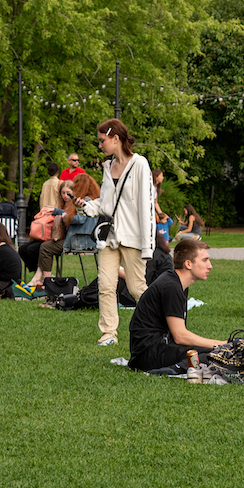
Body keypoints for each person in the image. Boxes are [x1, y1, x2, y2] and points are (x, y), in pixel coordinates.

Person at [90, 119, 156, 348]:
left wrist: (148, 245)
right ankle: (108, 333)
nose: (99, 146)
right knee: (105, 285)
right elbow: (106, 203)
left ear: (115, 138)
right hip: (109, 238)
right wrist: (86, 205)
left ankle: (158, 325)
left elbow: (147, 207)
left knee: (137, 288)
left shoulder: (140, 164)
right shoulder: (107, 167)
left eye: (102, 141)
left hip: (133, 238)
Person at [127, 237, 224, 371]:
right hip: (148, 356)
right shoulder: (171, 286)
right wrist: (218, 344)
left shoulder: (178, 283)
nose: (210, 265)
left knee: (215, 354)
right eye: (205, 260)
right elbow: (180, 336)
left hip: (157, 348)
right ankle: (176, 369)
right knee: (216, 354)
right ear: (188, 264)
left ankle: (182, 366)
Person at [32, 174, 101, 286]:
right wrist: (56, 211)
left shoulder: (85, 201)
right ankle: (41, 278)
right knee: (45, 245)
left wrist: (64, 217)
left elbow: (79, 219)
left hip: (78, 240)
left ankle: (48, 282)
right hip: (86, 239)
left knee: (45, 248)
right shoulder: (94, 200)